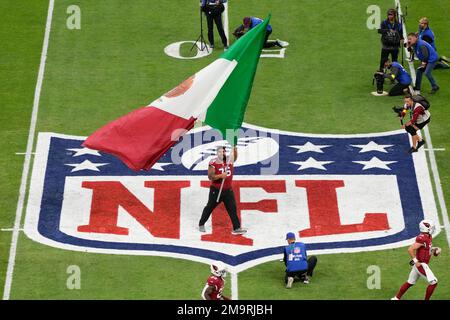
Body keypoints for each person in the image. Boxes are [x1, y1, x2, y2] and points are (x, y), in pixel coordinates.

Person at [198, 146, 247, 235]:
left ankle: (236, 227)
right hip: (216, 190)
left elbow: (235, 157)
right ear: (217, 153)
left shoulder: (229, 160)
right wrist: (220, 176)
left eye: (223, 151)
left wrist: (235, 149)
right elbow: (210, 177)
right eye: (220, 152)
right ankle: (201, 223)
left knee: (232, 209)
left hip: (228, 190)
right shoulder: (213, 162)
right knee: (210, 207)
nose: (222, 153)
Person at [391, 220, 441, 300]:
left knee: (409, 282)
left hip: (419, 264)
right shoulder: (422, 238)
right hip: (421, 264)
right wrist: (416, 261)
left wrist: (434, 250)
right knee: (434, 282)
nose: (432, 229)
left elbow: (426, 249)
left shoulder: (428, 236)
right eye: (431, 228)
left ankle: (396, 298)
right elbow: (410, 249)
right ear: (426, 229)